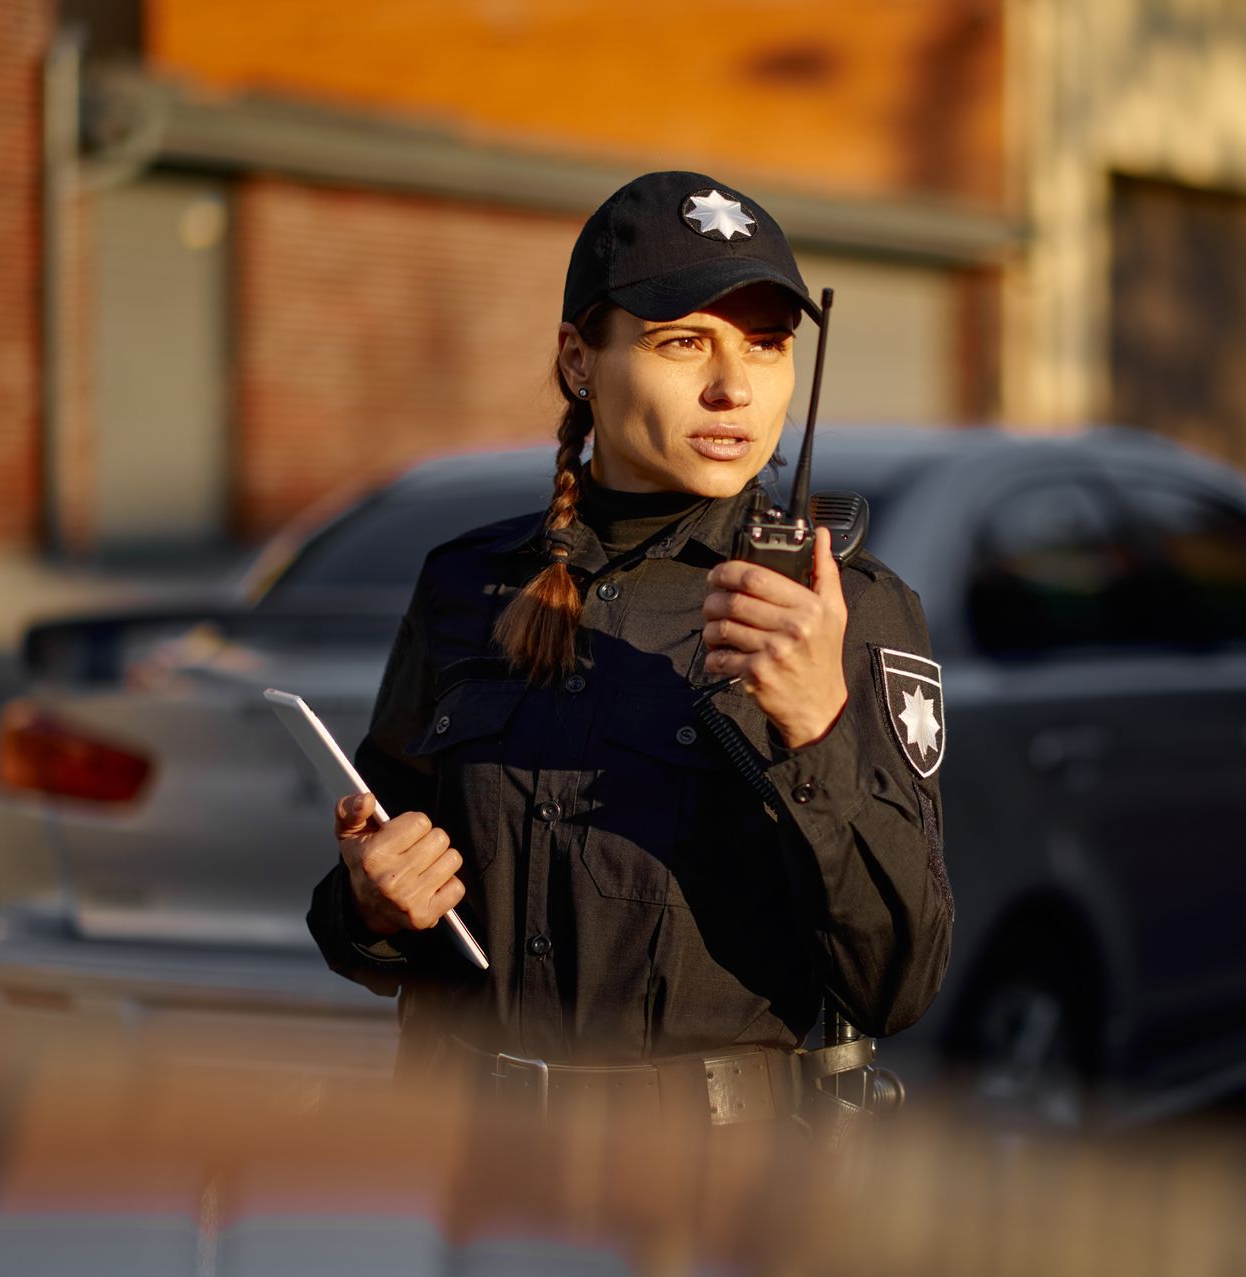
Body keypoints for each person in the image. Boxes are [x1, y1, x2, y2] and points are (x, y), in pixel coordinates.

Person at [306, 170, 953, 1130]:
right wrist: (374, 906)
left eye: (766, 346)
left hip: (708, 1190)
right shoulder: (464, 585)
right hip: (464, 1167)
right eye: (683, 340)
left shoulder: (838, 609)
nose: (733, 385)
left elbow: (900, 979)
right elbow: (371, 897)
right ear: (579, 358)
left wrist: (816, 726)